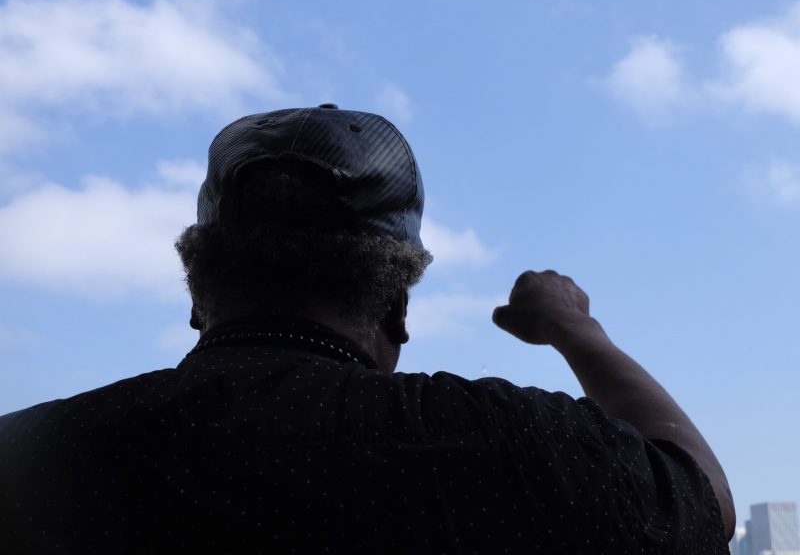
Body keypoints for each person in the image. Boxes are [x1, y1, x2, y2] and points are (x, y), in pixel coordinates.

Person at [0, 104, 733, 553]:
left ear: (198, 297)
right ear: (397, 311)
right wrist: (579, 330)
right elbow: (702, 506)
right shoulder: (501, 444)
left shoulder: (31, 459)